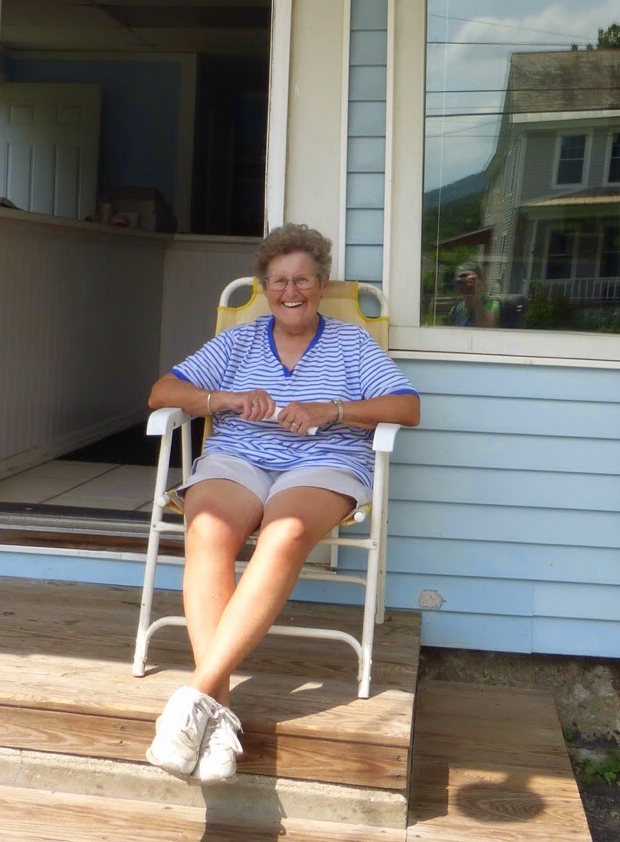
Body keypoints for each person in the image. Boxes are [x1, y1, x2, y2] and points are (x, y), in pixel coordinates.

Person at [143, 223, 421, 783]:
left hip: (323, 463)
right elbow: (162, 393)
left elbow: (407, 407)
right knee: (206, 529)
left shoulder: (351, 344)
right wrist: (224, 399)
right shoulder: (239, 342)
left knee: (285, 531)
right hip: (239, 458)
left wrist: (332, 411)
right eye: (278, 282)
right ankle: (215, 717)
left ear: (322, 284)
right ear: (264, 287)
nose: (290, 292)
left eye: (302, 280)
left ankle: (196, 697)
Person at [447, 260, 499, 327]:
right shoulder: (456, 310)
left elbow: (486, 327)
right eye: (460, 281)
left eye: (471, 280)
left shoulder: (491, 304)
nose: (465, 284)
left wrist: (474, 292)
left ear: (481, 281)